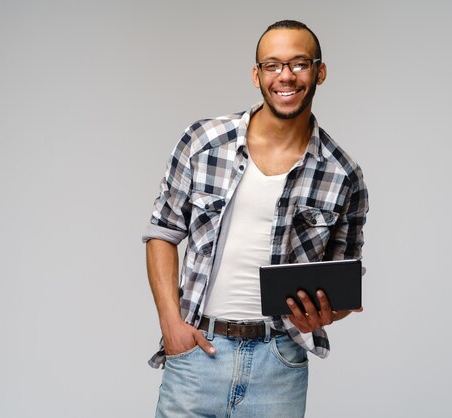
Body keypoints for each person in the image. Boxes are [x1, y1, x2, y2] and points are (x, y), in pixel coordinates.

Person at [142, 19, 369, 418]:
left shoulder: (342, 173)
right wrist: (170, 325)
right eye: (273, 65)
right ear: (256, 75)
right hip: (197, 352)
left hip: (279, 362)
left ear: (320, 71)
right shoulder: (204, 141)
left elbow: (344, 279)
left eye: (299, 63)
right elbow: (162, 232)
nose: (286, 75)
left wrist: (324, 313)